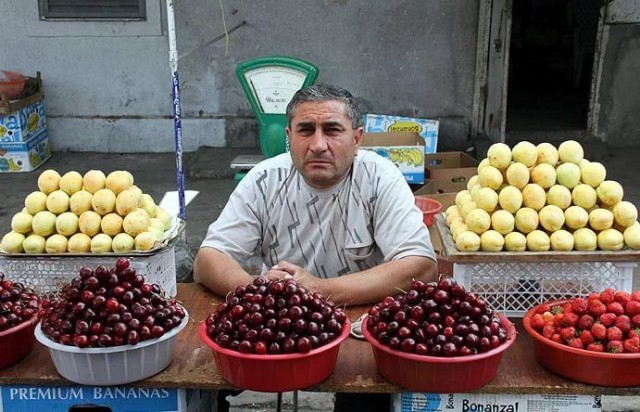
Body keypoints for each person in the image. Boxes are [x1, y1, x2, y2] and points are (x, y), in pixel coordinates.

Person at [194, 84, 438, 412]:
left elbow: (421, 265)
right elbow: (208, 258)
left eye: (333, 130)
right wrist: (257, 292)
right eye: (305, 130)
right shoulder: (265, 180)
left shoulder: (380, 178)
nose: (318, 145)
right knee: (217, 374)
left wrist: (318, 290)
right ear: (289, 136)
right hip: (279, 319)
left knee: (366, 393)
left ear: (357, 138)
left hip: (359, 319)